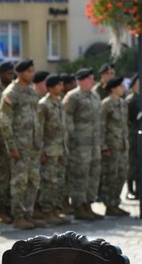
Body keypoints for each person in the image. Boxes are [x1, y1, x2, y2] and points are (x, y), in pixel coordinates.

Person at [0, 59, 45, 230]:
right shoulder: (11, 93)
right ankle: (18, 215)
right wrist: (12, 146)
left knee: (33, 181)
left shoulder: (32, 91)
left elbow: (36, 119)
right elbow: (5, 122)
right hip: (20, 146)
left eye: (33, 71)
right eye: (29, 72)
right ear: (20, 73)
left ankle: (28, 214)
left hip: (33, 145)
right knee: (19, 182)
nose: (32, 74)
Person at [63, 68, 103, 220]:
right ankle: (78, 206)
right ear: (81, 80)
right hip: (80, 145)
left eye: (93, 78)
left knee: (93, 175)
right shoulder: (73, 97)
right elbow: (67, 120)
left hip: (94, 144)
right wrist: (72, 141)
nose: (93, 81)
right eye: (90, 79)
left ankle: (88, 204)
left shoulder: (95, 95)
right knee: (80, 175)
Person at [36, 75, 70, 225]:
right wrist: (42, 151)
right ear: (50, 87)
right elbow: (39, 130)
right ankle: (46, 211)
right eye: (58, 85)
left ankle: (55, 210)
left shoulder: (59, 103)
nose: (61, 87)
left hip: (61, 149)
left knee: (59, 182)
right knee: (48, 182)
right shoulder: (44, 104)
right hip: (49, 150)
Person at [99, 75, 130, 216]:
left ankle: (116, 202)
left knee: (121, 175)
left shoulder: (123, 104)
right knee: (110, 176)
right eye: (121, 86)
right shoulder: (106, 104)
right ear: (113, 89)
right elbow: (102, 126)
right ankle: (109, 204)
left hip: (122, 145)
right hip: (111, 146)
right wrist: (104, 146)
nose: (123, 88)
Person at [0, 61, 15, 223]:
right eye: (9, 74)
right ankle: (1, 210)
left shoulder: (10, 91)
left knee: (10, 178)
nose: (12, 77)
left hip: (9, 141)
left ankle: (9, 209)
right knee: (1, 178)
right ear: (1, 75)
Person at [126, 74, 139, 199]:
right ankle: (130, 189)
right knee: (132, 164)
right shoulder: (131, 99)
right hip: (133, 135)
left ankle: (138, 189)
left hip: (139, 135)